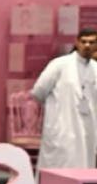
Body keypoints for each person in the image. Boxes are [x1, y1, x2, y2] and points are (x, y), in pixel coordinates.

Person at [32, 28, 97, 171]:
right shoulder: (59, 64)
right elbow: (38, 91)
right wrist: (56, 109)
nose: (87, 45)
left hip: (88, 128)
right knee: (61, 164)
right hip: (63, 126)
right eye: (84, 42)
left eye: (92, 42)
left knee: (85, 166)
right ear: (77, 43)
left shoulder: (96, 68)